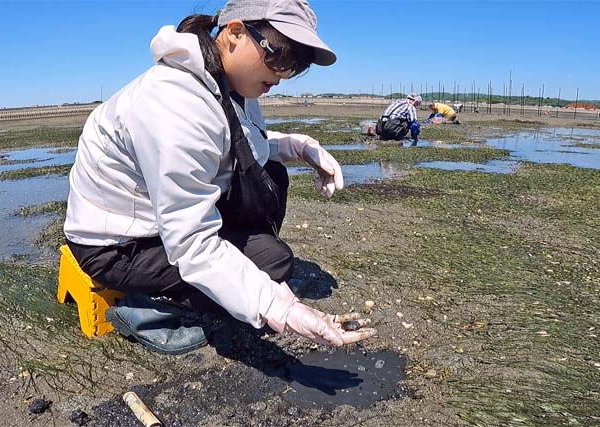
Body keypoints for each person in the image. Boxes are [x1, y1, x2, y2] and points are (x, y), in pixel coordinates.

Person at [63, 0, 375, 354]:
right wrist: (281, 309)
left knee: (271, 190)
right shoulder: (173, 105)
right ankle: (149, 305)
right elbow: (191, 241)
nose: (283, 74)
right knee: (269, 268)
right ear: (235, 32)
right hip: (119, 244)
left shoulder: (231, 85)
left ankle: (217, 285)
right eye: (280, 55)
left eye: (296, 65)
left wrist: (300, 147)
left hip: (161, 222)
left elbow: (240, 144)